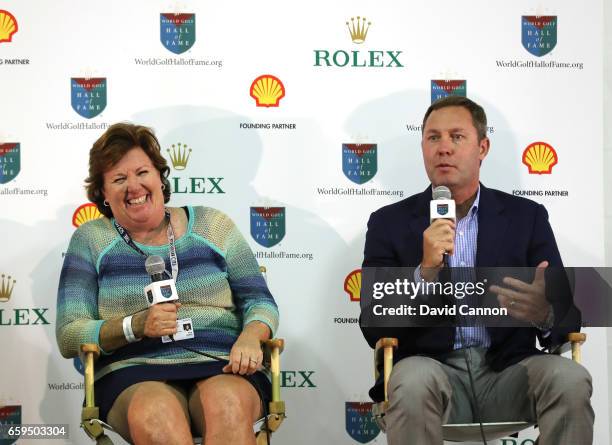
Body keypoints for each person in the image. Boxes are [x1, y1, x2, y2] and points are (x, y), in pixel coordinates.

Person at [360, 96, 593, 444]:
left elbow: (568, 320)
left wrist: (545, 313)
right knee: (410, 379)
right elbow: (373, 325)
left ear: (482, 147)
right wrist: (423, 273)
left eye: (457, 137)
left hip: (509, 373)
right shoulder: (388, 223)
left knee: (570, 379)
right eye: (433, 138)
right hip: (430, 373)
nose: (443, 149)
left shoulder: (525, 217)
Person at [56, 122, 279, 445]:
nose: (134, 186)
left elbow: (260, 302)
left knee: (227, 408)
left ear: (160, 177)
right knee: (156, 416)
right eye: (119, 179)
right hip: (133, 370)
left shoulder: (213, 225)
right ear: (103, 193)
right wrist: (135, 325)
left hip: (221, 361)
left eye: (142, 172)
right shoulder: (91, 240)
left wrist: (250, 337)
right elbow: (69, 333)